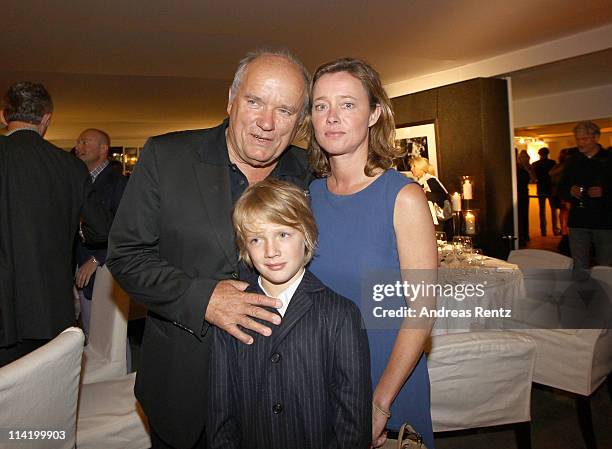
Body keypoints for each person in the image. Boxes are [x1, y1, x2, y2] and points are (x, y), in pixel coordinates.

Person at [106, 49, 313, 449]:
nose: (267, 123)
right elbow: (127, 254)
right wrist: (204, 300)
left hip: (286, 393)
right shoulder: (166, 157)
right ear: (231, 100)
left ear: (300, 120)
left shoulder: (313, 173)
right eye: (255, 102)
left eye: (285, 110)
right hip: (186, 388)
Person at [308, 58, 437, 448]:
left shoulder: (403, 196)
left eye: (347, 104)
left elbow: (422, 309)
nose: (331, 117)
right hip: (322, 379)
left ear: (374, 114)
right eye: (320, 105)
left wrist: (380, 404)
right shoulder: (307, 197)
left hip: (387, 381)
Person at [207, 179, 371, 449]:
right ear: (245, 248)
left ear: (306, 235)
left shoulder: (341, 315)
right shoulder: (232, 312)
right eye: (257, 239)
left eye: (283, 234)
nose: (271, 252)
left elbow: (352, 422)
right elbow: (221, 413)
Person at [0, 82, 109, 366]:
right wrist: (73, 226)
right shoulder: (70, 166)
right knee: (44, 400)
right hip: (50, 310)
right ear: (46, 119)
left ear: (4, 116)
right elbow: (102, 229)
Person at [74, 128, 127, 337]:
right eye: (78, 142)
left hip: (103, 270)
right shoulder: (80, 180)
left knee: (107, 335)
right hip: (78, 267)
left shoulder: (118, 183)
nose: (79, 147)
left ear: (103, 149)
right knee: (87, 331)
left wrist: (97, 259)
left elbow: (125, 230)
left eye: (85, 142)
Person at [558, 121, 612, 269]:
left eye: (584, 139)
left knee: (604, 265)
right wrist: (570, 191)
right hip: (578, 220)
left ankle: (604, 292)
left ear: (596, 138)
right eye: (578, 139)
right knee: (579, 264)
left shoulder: (609, 159)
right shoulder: (572, 160)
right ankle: (581, 292)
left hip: (604, 221)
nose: (580, 143)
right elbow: (561, 188)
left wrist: (605, 192)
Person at [410, 156, 451, 231]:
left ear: (421, 167)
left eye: (414, 166)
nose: (411, 169)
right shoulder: (421, 181)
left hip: (434, 220)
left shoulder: (430, 180)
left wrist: (426, 194)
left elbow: (443, 197)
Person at [532, 147, 559, 236]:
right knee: (553, 210)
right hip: (550, 188)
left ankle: (543, 231)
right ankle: (555, 229)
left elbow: (534, 177)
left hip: (541, 188)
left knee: (542, 211)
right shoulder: (552, 163)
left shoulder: (535, 164)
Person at [516, 150, 535, 247]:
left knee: (525, 214)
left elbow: (533, 179)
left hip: (524, 192)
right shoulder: (516, 167)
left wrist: (527, 170)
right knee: (519, 214)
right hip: (518, 192)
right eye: (522, 157)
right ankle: (521, 235)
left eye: (525, 157)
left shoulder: (530, 167)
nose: (524, 159)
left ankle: (525, 234)